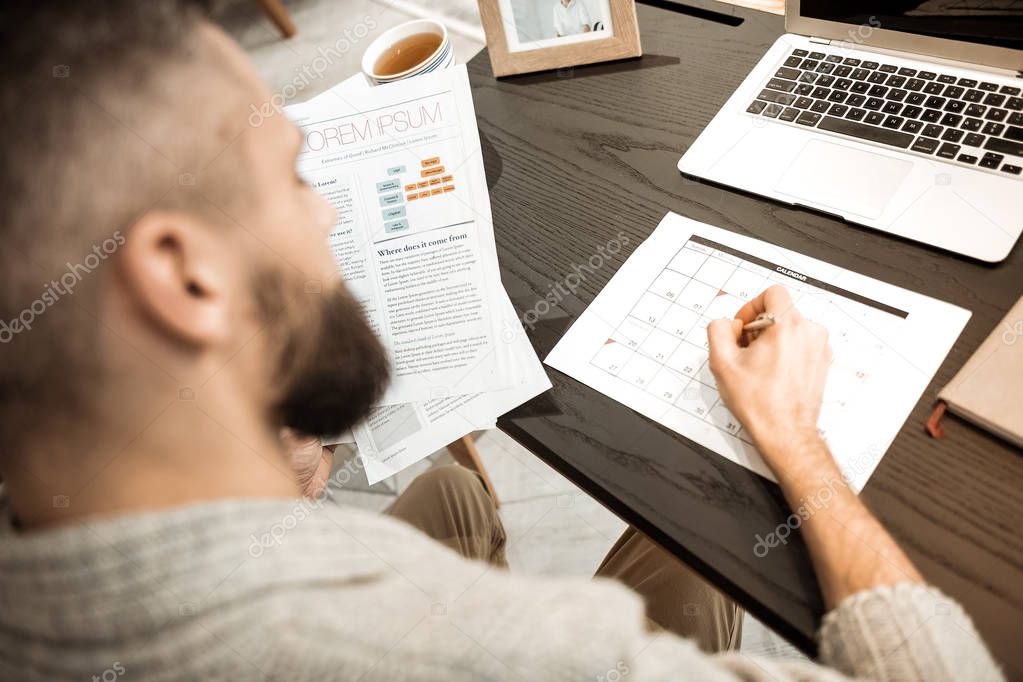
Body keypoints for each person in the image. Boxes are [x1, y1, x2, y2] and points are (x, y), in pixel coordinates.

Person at [0, 2, 1004, 681]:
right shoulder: (479, 650)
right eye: (297, 181)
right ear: (183, 276)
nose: (331, 224)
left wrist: (249, 441)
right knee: (701, 540)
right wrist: (797, 441)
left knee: (451, 491)